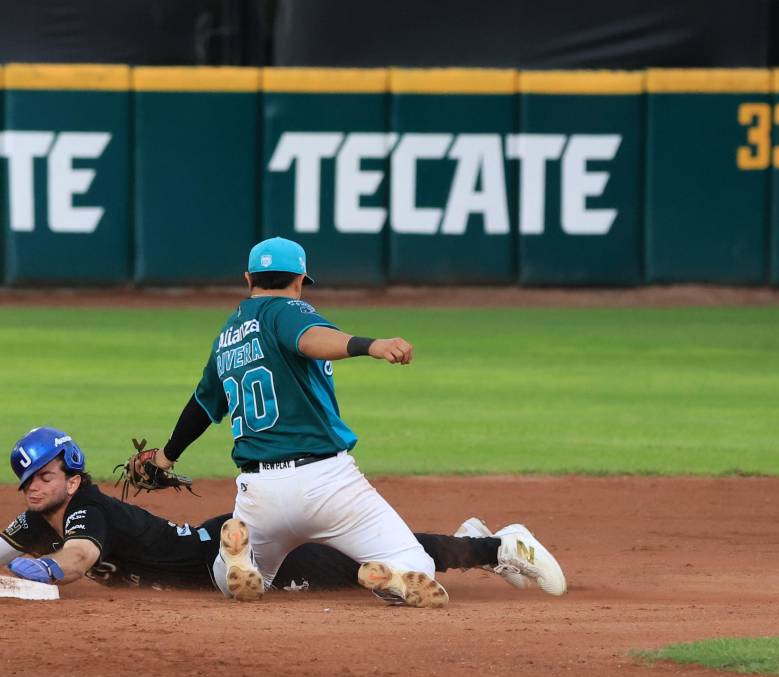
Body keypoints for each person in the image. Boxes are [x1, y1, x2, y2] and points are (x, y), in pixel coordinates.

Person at [139, 236, 566, 607]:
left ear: (247, 280)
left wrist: (166, 458)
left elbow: (202, 406)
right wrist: (371, 345)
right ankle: (389, 576)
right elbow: (311, 340)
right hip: (329, 483)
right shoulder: (288, 311)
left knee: (239, 583)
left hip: (260, 493)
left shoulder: (226, 339)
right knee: (417, 564)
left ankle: (236, 559)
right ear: (301, 281)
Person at [0, 427, 566, 601]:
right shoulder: (39, 517)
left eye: (44, 476)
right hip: (226, 549)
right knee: (362, 559)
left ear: (71, 474)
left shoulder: (84, 511)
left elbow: (76, 561)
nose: (33, 488)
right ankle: (474, 539)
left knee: (360, 565)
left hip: (234, 555)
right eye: (27, 481)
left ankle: (492, 547)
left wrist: (42, 573)